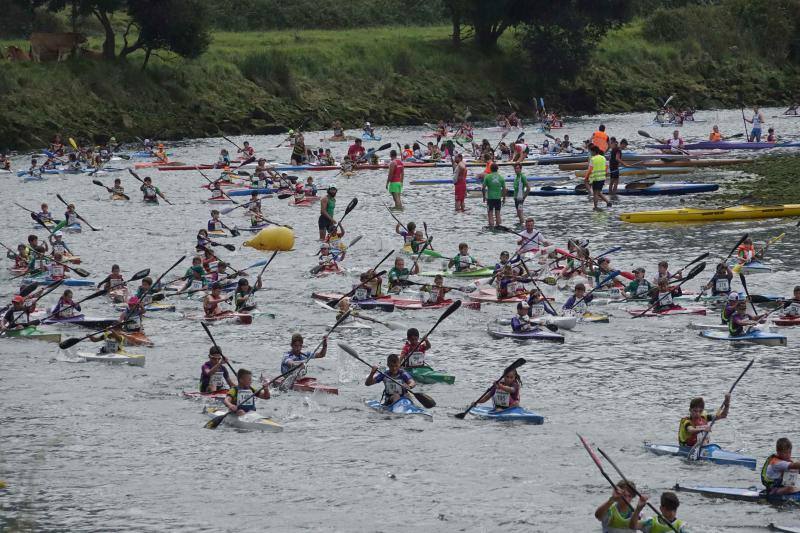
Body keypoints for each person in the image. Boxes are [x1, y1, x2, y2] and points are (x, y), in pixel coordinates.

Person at [585, 145, 611, 210]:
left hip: (596, 178)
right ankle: (608, 202)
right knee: (598, 192)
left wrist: (586, 177)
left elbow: (590, 169)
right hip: (602, 178)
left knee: (595, 193)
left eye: (591, 152)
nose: (590, 153)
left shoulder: (593, 159)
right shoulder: (603, 158)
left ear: (594, 151)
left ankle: (595, 207)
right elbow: (606, 167)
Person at [482, 162, 506, 228]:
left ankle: (491, 227)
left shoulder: (487, 177)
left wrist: (484, 196)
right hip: (498, 198)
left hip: (490, 198)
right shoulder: (501, 177)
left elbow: (483, 188)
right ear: (497, 169)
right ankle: (498, 226)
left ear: (490, 169)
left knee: (490, 213)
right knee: (498, 213)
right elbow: (504, 189)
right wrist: (504, 198)